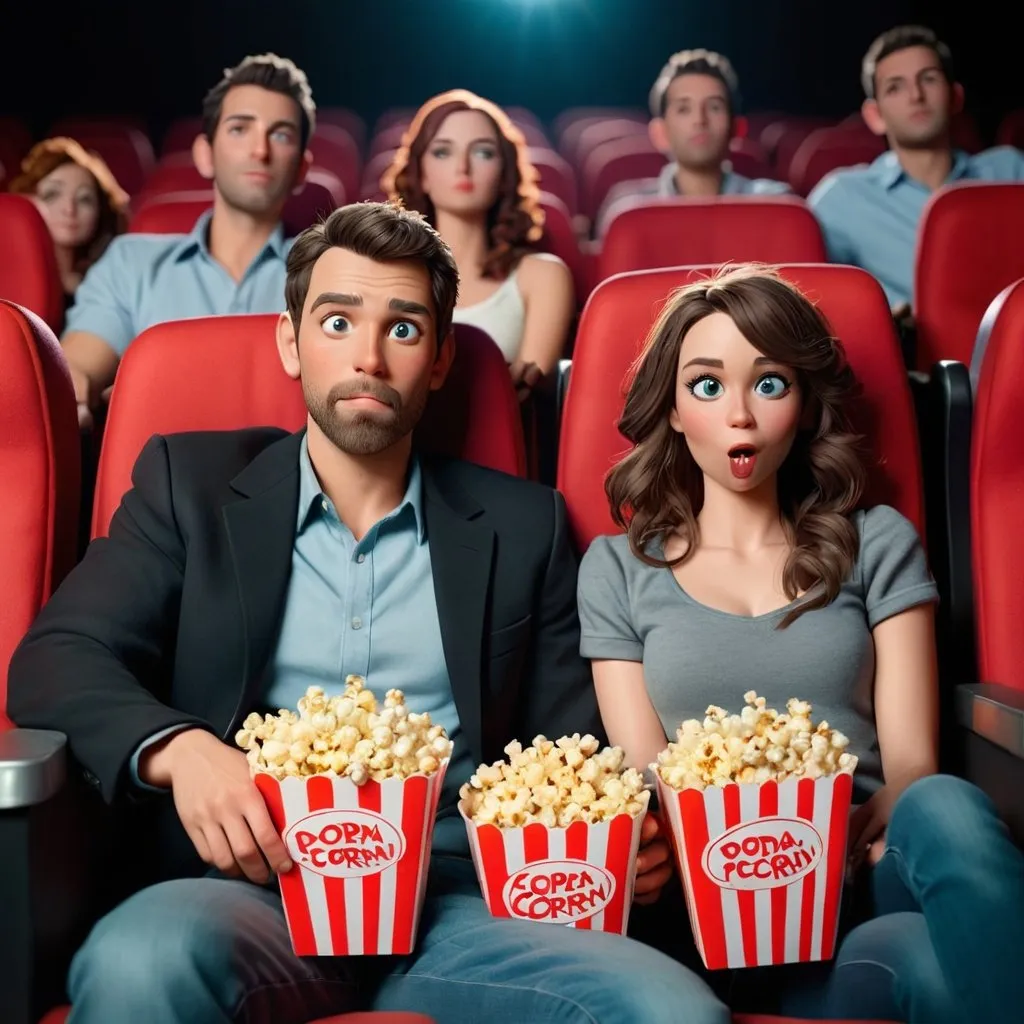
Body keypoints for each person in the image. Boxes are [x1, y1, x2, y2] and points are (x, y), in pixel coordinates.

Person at [9, 200, 735, 1024]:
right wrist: (183, 752)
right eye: (336, 320)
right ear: (290, 342)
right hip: (252, 889)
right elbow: (58, 657)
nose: (367, 357)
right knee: (137, 960)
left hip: (463, 902)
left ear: (438, 358)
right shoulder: (192, 486)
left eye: (402, 328)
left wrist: (618, 835)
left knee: (674, 1012)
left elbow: (571, 748)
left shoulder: (522, 527)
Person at [576, 264, 1024, 1022]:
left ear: (806, 403)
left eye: (771, 384)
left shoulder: (876, 542)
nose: (741, 416)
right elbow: (648, 770)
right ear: (676, 411)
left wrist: (843, 839)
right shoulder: (619, 569)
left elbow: (912, 764)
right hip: (709, 900)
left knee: (943, 808)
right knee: (925, 964)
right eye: (709, 386)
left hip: (863, 875)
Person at [62, 52, 315, 428]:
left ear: (301, 169)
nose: (259, 151)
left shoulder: (327, 272)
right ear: (205, 154)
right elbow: (76, 368)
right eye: (239, 128)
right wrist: (74, 397)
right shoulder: (131, 261)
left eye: (280, 134)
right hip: (154, 477)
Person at [809, 25, 1024, 313]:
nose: (916, 95)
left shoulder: (1009, 171)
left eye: (929, 79)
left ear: (955, 97)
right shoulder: (843, 197)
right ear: (875, 116)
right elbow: (807, 301)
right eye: (895, 87)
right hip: (909, 354)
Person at [382, 89, 574, 401]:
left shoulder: (542, 275)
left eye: (483, 152)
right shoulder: (386, 272)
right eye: (443, 152)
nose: (463, 167)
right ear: (422, 175)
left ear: (503, 174)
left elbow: (527, 398)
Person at [595, 49, 790, 236]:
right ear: (659, 132)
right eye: (683, 109)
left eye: (714, 107)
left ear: (736, 128)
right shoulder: (627, 211)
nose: (700, 120)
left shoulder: (779, 205)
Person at [8, 136, 129, 314]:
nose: (69, 209)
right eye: (52, 195)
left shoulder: (112, 286)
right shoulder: (9, 285)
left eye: (85, 199)